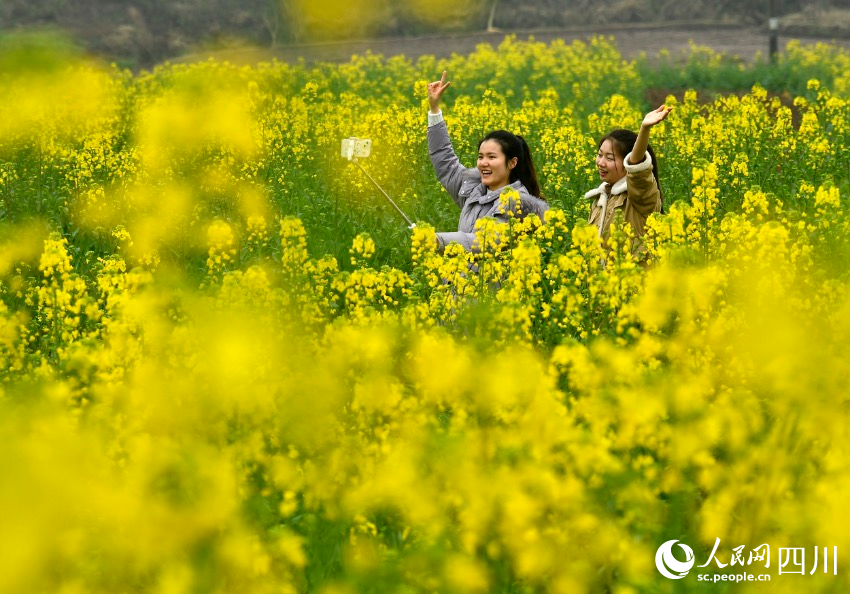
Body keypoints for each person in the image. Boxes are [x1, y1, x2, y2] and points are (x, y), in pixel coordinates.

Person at [426, 71, 548, 252]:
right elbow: (445, 162)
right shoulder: (473, 190)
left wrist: (438, 240)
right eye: (480, 156)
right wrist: (434, 110)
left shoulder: (518, 204)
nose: (483, 163)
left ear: (512, 163)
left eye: (492, 157)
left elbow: (486, 242)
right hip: (460, 280)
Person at [584, 105, 672, 255]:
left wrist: (644, 129)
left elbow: (638, 168)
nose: (600, 162)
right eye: (600, 155)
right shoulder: (600, 200)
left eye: (610, 158)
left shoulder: (641, 198)